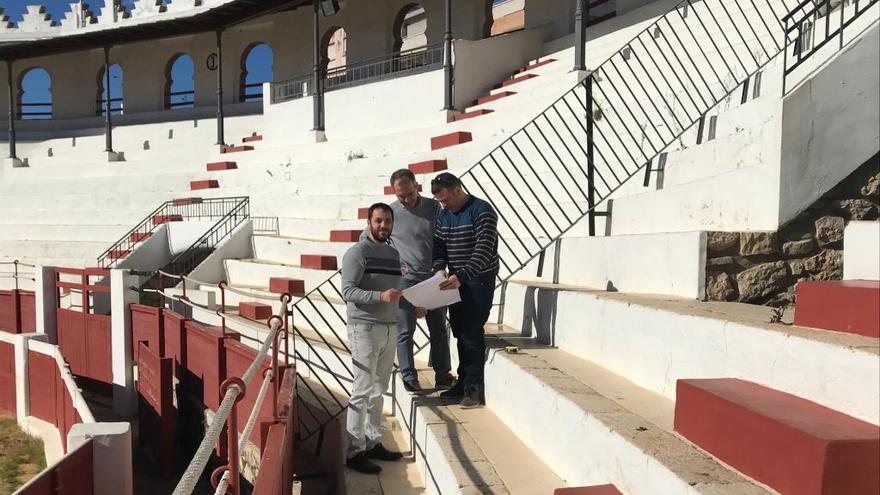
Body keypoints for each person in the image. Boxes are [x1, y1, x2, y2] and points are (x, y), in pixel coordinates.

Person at [341, 202, 426, 473]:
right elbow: (348, 291)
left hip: (389, 326)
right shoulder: (357, 252)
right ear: (369, 222)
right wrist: (380, 296)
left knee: (379, 390)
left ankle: (372, 442)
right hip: (364, 328)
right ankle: (354, 452)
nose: (383, 226)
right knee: (362, 389)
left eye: (387, 221)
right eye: (378, 221)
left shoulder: (392, 253)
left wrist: (413, 304)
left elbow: (397, 290)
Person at [431, 172, 499, 409]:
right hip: (455, 281)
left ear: (457, 190)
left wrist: (462, 276)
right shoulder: (444, 214)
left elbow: (483, 249)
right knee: (460, 332)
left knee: (471, 332)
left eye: (446, 199)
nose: (444, 205)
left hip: (478, 281)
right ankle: (462, 381)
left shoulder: (482, 211)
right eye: (440, 201)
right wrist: (439, 269)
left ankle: (473, 387)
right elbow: (438, 245)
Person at [388, 169, 455, 393]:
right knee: (405, 330)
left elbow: (444, 237)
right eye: (401, 197)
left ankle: (443, 375)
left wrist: (441, 268)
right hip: (405, 281)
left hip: (434, 276)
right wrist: (392, 264)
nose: (406, 200)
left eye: (409, 194)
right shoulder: (391, 213)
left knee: (439, 329)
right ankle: (409, 376)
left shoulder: (434, 208)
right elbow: (370, 238)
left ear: (417, 186)